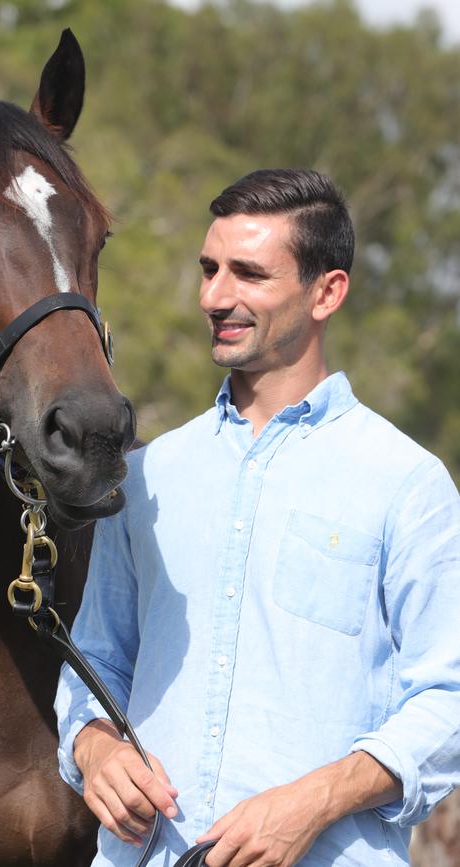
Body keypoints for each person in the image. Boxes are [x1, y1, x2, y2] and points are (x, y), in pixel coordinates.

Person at [54, 168, 460, 867]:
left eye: (248, 273)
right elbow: (94, 659)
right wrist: (93, 747)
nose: (215, 296)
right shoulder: (146, 479)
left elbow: (447, 700)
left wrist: (313, 801)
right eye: (209, 269)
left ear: (327, 290)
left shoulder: (407, 485)